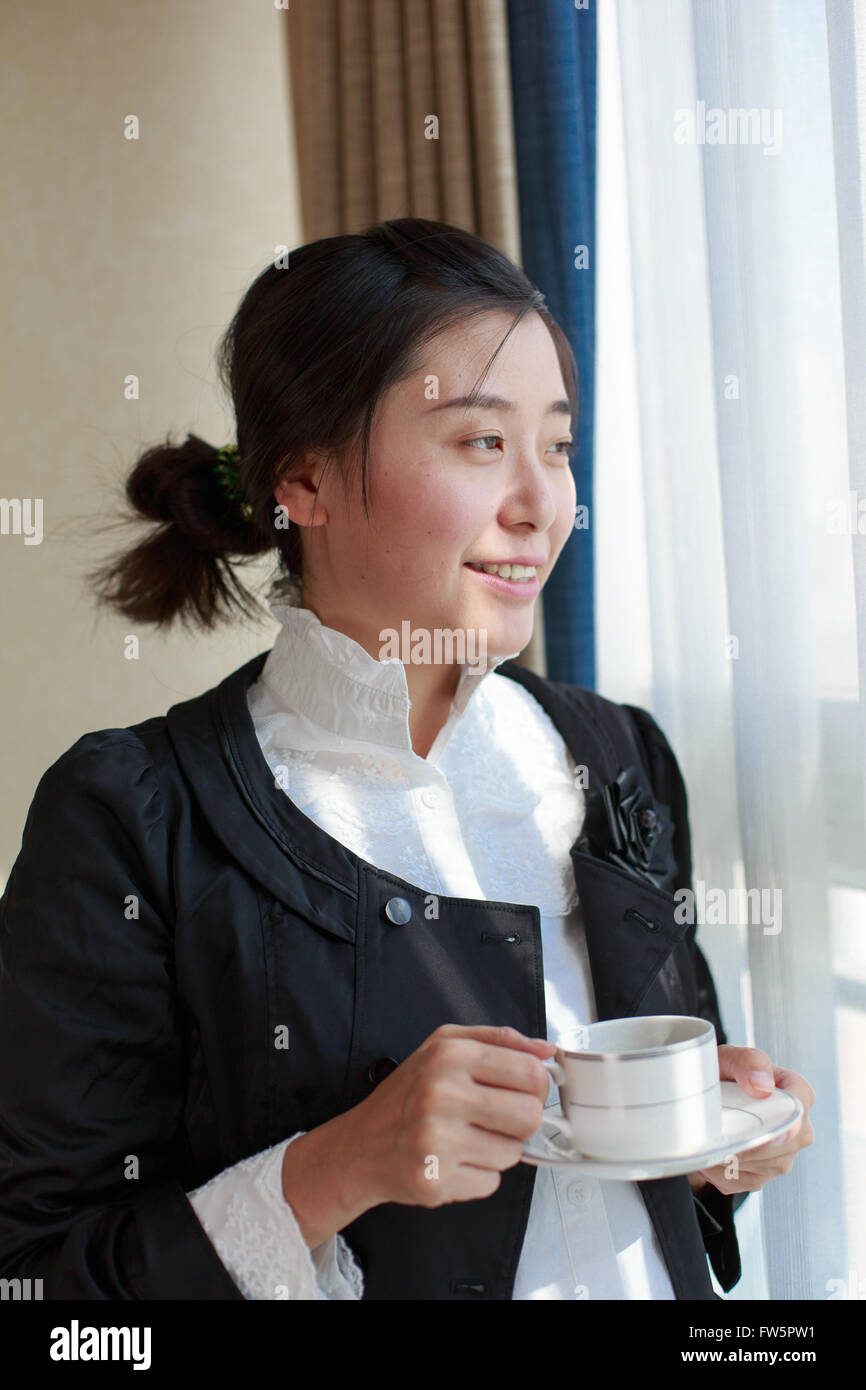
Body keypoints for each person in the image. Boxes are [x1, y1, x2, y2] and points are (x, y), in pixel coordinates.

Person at [0, 218, 814, 1301]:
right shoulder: (134, 818)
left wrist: (712, 1145)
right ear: (304, 480)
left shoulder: (614, 756)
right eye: (481, 441)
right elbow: (41, 1291)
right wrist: (333, 1168)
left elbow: (634, 1203)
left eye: (558, 445)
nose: (542, 505)